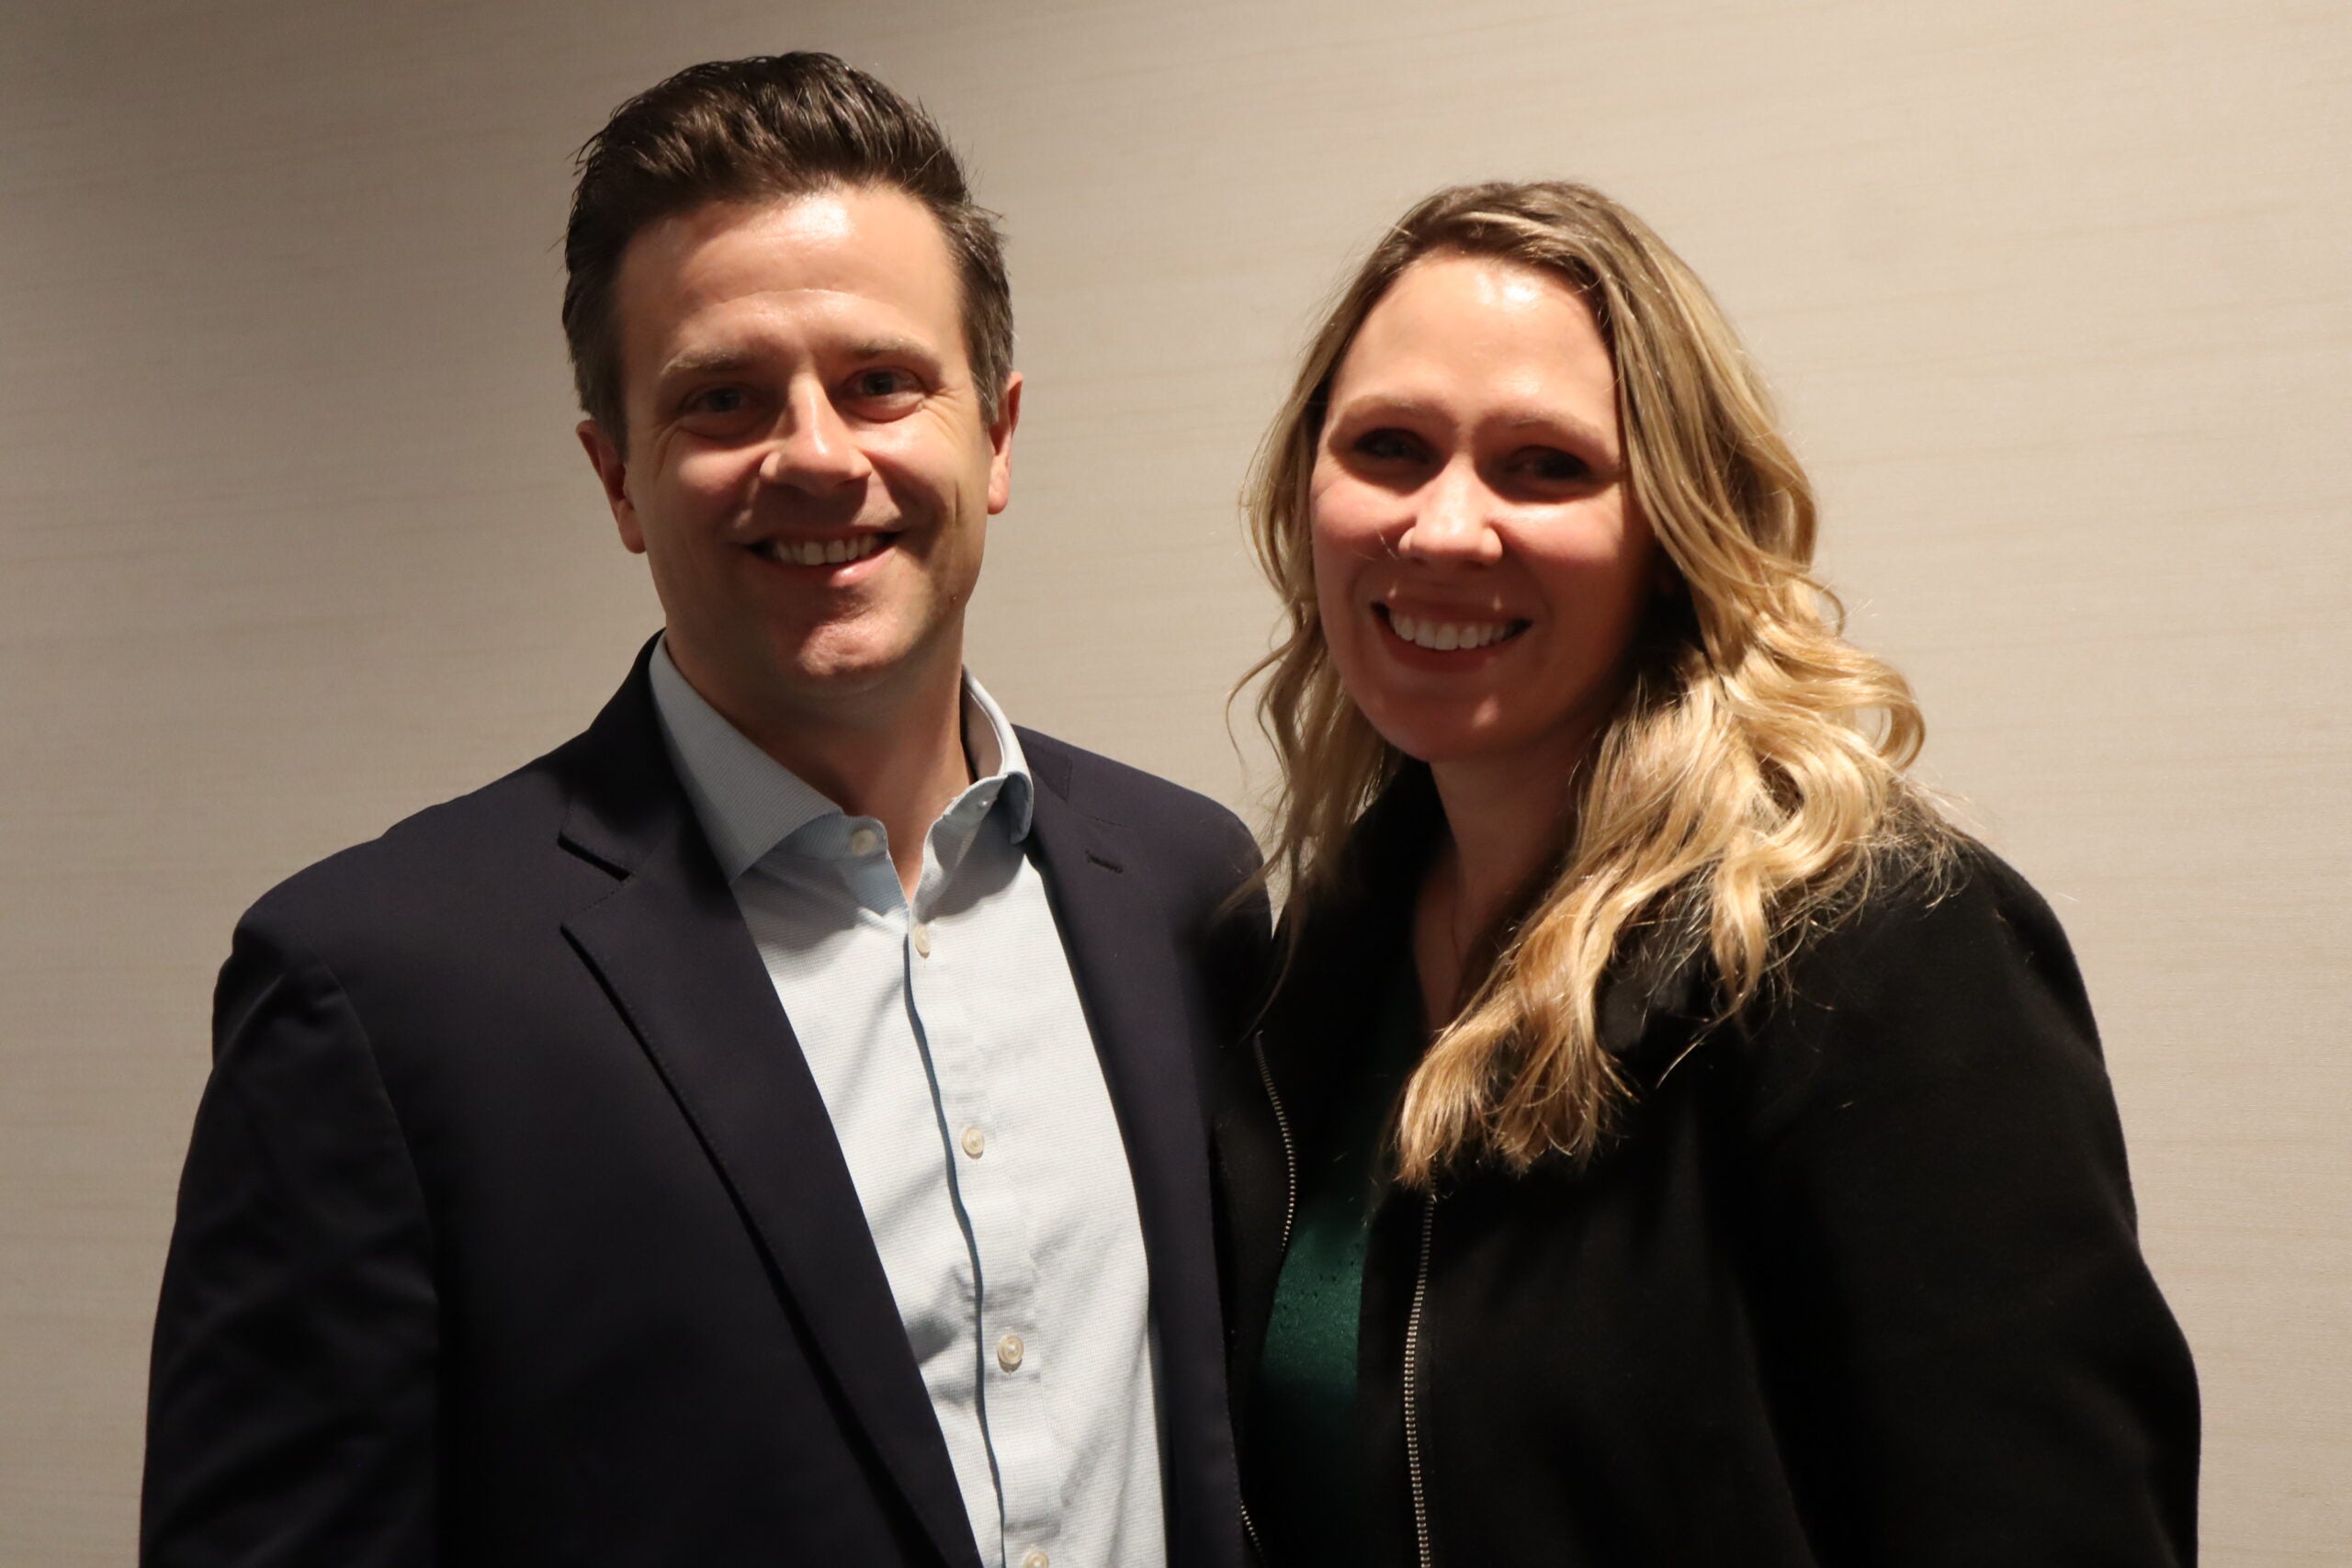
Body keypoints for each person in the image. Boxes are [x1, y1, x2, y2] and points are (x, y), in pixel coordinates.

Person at [144, 54, 1263, 1568]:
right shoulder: (380, 994)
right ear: (618, 477)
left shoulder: (1183, 892)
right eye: (723, 399)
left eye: (881, 382)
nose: (817, 455)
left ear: (996, 436)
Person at [1215, 180, 2199, 1567]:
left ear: (1675, 536)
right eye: (1389, 448)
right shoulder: (1310, 967)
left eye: (1544, 466)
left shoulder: (1873, 950)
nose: (1442, 529)